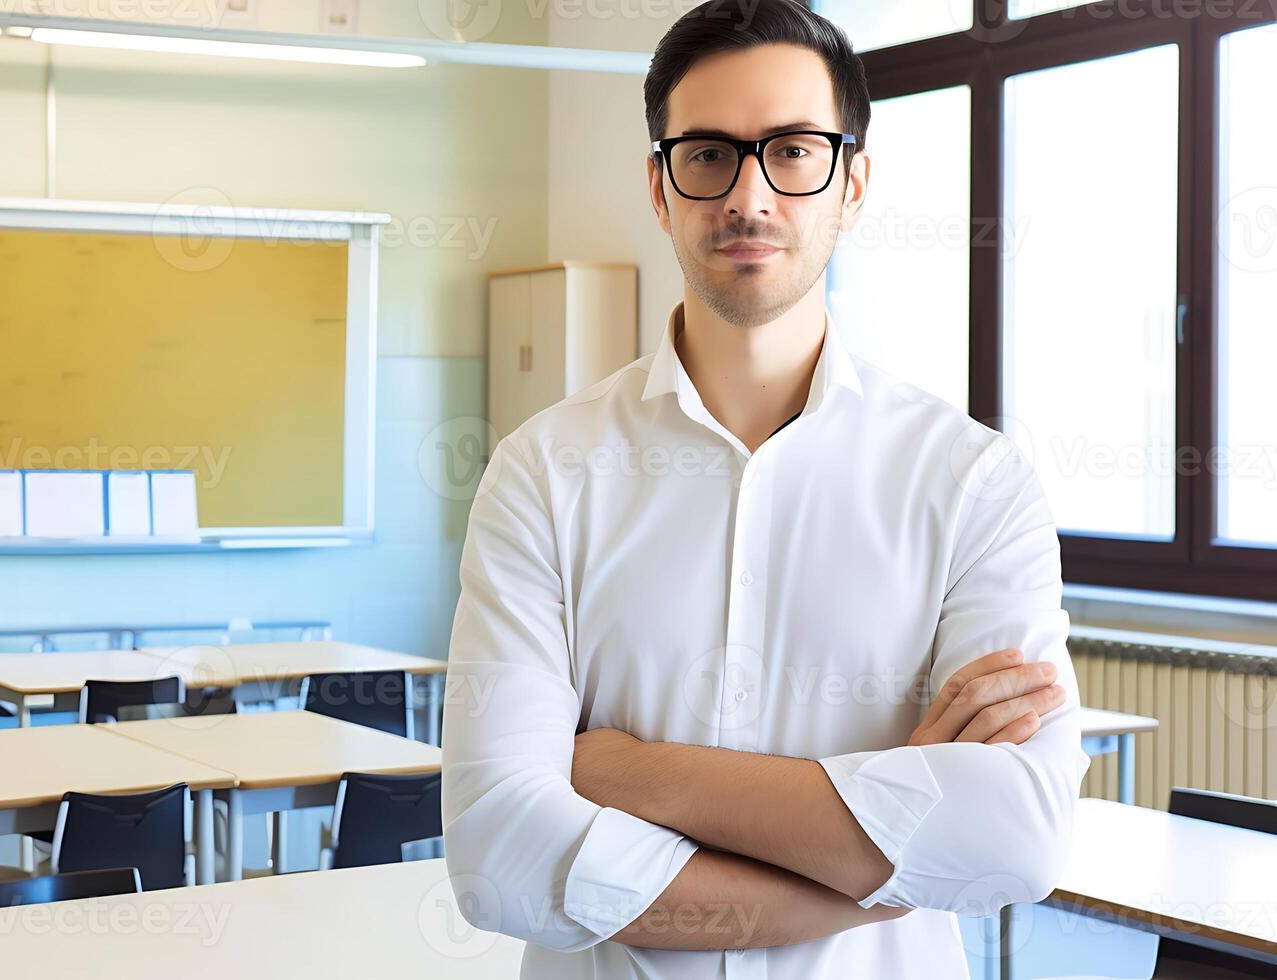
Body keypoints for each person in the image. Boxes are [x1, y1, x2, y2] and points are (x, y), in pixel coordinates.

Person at [441, 2, 1089, 977]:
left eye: (792, 150)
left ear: (853, 183)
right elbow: (501, 858)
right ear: (660, 189)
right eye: (707, 154)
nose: (749, 194)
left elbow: (1017, 838)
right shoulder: (544, 472)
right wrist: (890, 859)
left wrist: (623, 769)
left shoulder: (971, 482)